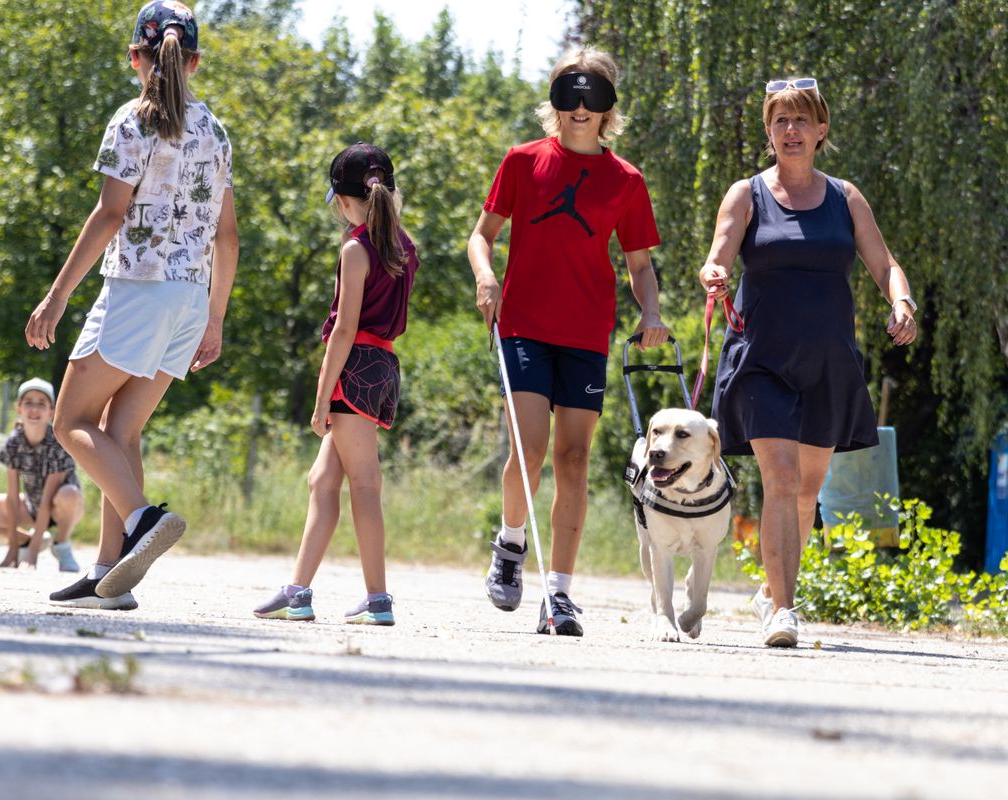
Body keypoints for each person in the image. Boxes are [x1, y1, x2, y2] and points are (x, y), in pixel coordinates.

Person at [24, 1, 238, 610]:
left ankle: (143, 520)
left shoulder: (132, 120)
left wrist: (57, 295)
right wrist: (215, 319)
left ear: (134, 57)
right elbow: (227, 236)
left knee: (69, 421)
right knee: (121, 431)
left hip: (138, 292)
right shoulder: (214, 131)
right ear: (192, 61)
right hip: (190, 300)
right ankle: (108, 576)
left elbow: (111, 214)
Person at [698, 77, 917, 648]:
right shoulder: (745, 195)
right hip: (762, 360)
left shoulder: (845, 197)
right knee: (782, 478)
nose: (790, 131)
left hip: (828, 362)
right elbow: (717, 256)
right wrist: (714, 275)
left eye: (801, 121)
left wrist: (901, 299)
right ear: (769, 132)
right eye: (780, 121)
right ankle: (784, 613)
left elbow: (884, 261)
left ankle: (772, 589)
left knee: (807, 489)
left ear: (821, 130)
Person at [468, 47, 670, 637]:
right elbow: (480, 237)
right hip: (524, 324)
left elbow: (639, 266)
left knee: (574, 460)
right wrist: (486, 277)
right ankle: (509, 545)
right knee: (529, 450)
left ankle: (559, 595)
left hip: (586, 334)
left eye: (593, 97)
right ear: (554, 102)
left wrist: (651, 311)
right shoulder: (522, 162)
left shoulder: (626, 181)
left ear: (608, 108)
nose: (580, 109)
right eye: (568, 96)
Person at [253, 142, 420, 626]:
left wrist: (323, 395)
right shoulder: (404, 246)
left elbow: (344, 330)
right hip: (384, 368)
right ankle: (298, 591)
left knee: (364, 487)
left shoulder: (356, 248)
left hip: (355, 369)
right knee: (323, 480)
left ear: (344, 201)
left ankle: (378, 599)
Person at [0, 378, 84, 572]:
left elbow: (48, 498)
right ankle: (27, 539)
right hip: (32, 506)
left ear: (52, 411)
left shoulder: (57, 442)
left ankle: (61, 544)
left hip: (62, 507)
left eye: (41, 403)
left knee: (69, 493)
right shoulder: (14, 441)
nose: (34, 409)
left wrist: (31, 555)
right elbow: (12, 497)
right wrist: (13, 549)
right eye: (28, 402)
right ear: (19, 408)